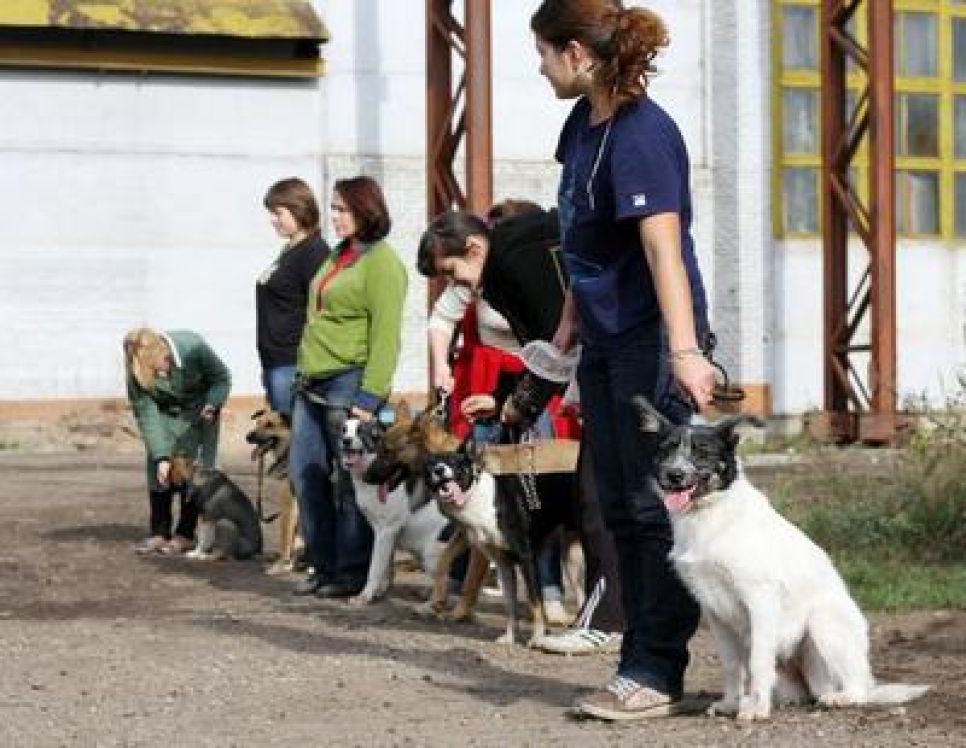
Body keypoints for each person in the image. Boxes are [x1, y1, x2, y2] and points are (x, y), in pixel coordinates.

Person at [530, 0, 717, 720]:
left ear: (577, 53)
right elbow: (581, 242)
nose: (540, 67)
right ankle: (637, 661)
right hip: (605, 342)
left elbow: (662, 249)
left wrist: (686, 352)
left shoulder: (644, 135)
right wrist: (563, 337)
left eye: (544, 53)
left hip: (651, 341)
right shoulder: (582, 127)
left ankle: (656, 670)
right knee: (614, 504)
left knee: (651, 507)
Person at [417, 207, 625, 651]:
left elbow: (558, 338)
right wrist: (507, 399)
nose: (460, 287)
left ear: (473, 248)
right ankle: (616, 620)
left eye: (454, 273)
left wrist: (520, 402)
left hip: (610, 370)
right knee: (593, 501)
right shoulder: (505, 263)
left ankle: (610, 621)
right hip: (585, 377)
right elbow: (546, 349)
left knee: (595, 503)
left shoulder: (515, 262)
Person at [289, 176, 407, 598]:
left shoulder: (382, 263)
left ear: (366, 210)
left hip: (349, 381)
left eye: (342, 209)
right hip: (311, 381)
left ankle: (351, 572)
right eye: (334, 208)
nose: (334, 216)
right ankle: (322, 566)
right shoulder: (338, 256)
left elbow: (386, 335)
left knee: (348, 480)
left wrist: (369, 398)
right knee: (305, 474)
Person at [123, 328, 231, 555]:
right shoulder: (135, 368)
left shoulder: (192, 346)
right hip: (163, 416)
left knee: (194, 471)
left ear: (164, 352)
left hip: (200, 413)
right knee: (158, 469)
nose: (160, 375)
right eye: (150, 371)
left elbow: (221, 377)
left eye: (158, 366)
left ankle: (185, 533)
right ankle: (159, 532)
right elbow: (145, 412)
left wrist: (213, 403)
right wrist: (161, 456)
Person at [257, 178, 330, 417]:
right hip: (275, 360)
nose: (272, 220)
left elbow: (321, 310)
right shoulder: (290, 250)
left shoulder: (314, 252)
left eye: (278, 213)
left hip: (292, 361)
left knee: (294, 438)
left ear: (298, 209)